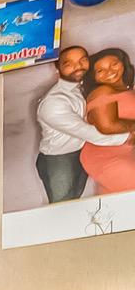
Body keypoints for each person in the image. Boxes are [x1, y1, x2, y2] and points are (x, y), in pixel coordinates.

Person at [36, 45, 130, 201]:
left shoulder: (82, 87)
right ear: (57, 69)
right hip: (60, 160)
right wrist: (129, 137)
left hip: (80, 153)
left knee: (76, 200)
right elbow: (93, 134)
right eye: (69, 64)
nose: (78, 67)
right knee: (63, 207)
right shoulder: (54, 103)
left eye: (83, 60)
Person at [80, 47, 135, 195]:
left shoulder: (128, 91)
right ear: (93, 77)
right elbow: (107, 126)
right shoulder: (102, 91)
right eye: (100, 70)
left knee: (114, 204)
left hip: (126, 152)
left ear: (124, 63)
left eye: (114, 64)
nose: (110, 71)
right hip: (105, 155)